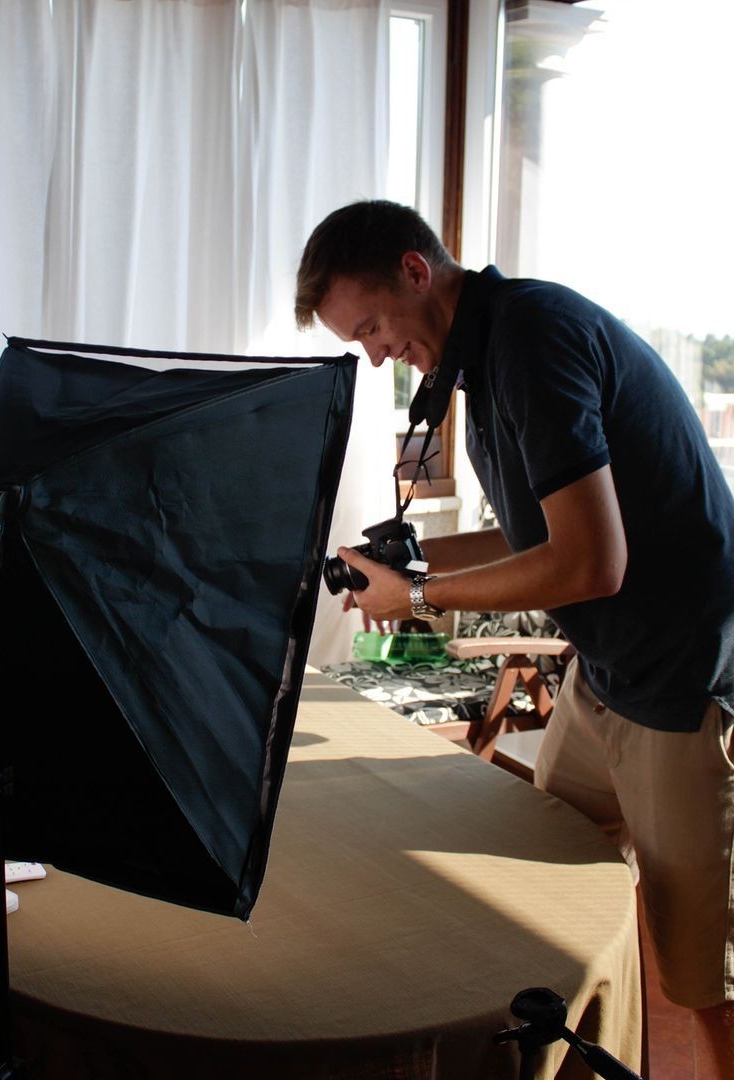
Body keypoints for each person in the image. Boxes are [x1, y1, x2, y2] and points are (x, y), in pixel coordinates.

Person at [295, 199, 734, 1075]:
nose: (376, 353)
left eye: (374, 325)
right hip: (604, 676)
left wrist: (417, 593)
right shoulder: (486, 357)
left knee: (696, 981)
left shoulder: (534, 338)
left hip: (677, 683)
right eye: (359, 340)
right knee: (542, 866)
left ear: (417, 272)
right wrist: (397, 558)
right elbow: (538, 532)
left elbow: (591, 561)